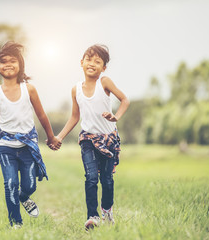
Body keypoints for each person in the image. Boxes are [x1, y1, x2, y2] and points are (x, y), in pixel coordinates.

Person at [0, 41, 61, 229]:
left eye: (12, 61)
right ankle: (15, 222)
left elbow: (42, 115)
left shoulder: (28, 89)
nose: (8, 65)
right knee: (10, 183)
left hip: (28, 146)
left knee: (29, 186)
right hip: (6, 147)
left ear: (20, 64)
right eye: (3, 61)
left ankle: (24, 197)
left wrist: (51, 137)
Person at [54, 44, 129, 230]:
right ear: (81, 63)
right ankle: (92, 216)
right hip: (87, 139)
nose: (92, 64)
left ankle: (106, 211)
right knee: (90, 178)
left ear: (103, 68)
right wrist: (60, 137)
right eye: (89, 59)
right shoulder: (75, 89)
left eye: (97, 61)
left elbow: (125, 100)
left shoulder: (104, 82)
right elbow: (74, 116)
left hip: (109, 139)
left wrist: (115, 117)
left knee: (107, 180)